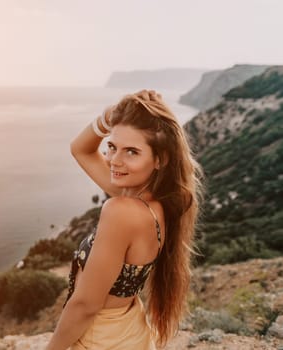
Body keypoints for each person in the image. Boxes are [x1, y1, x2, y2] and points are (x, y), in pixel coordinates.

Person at [46, 90, 203, 350]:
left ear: (159, 160)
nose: (114, 161)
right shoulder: (155, 204)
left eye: (131, 152)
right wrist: (115, 115)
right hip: (128, 330)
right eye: (111, 146)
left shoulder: (121, 211)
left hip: (100, 339)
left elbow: (86, 305)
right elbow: (80, 149)